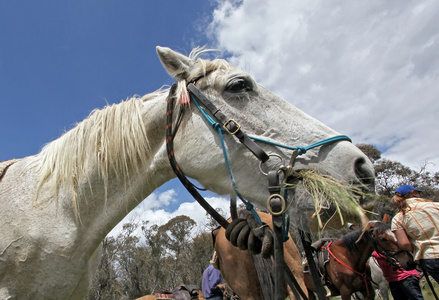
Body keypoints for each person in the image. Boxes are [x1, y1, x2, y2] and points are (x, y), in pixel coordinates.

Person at [391, 184, 439, 283]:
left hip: (430, 257)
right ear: (414, 193)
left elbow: (405, 244)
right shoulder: (436, 206)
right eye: (419, 192)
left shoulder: (398, 218)